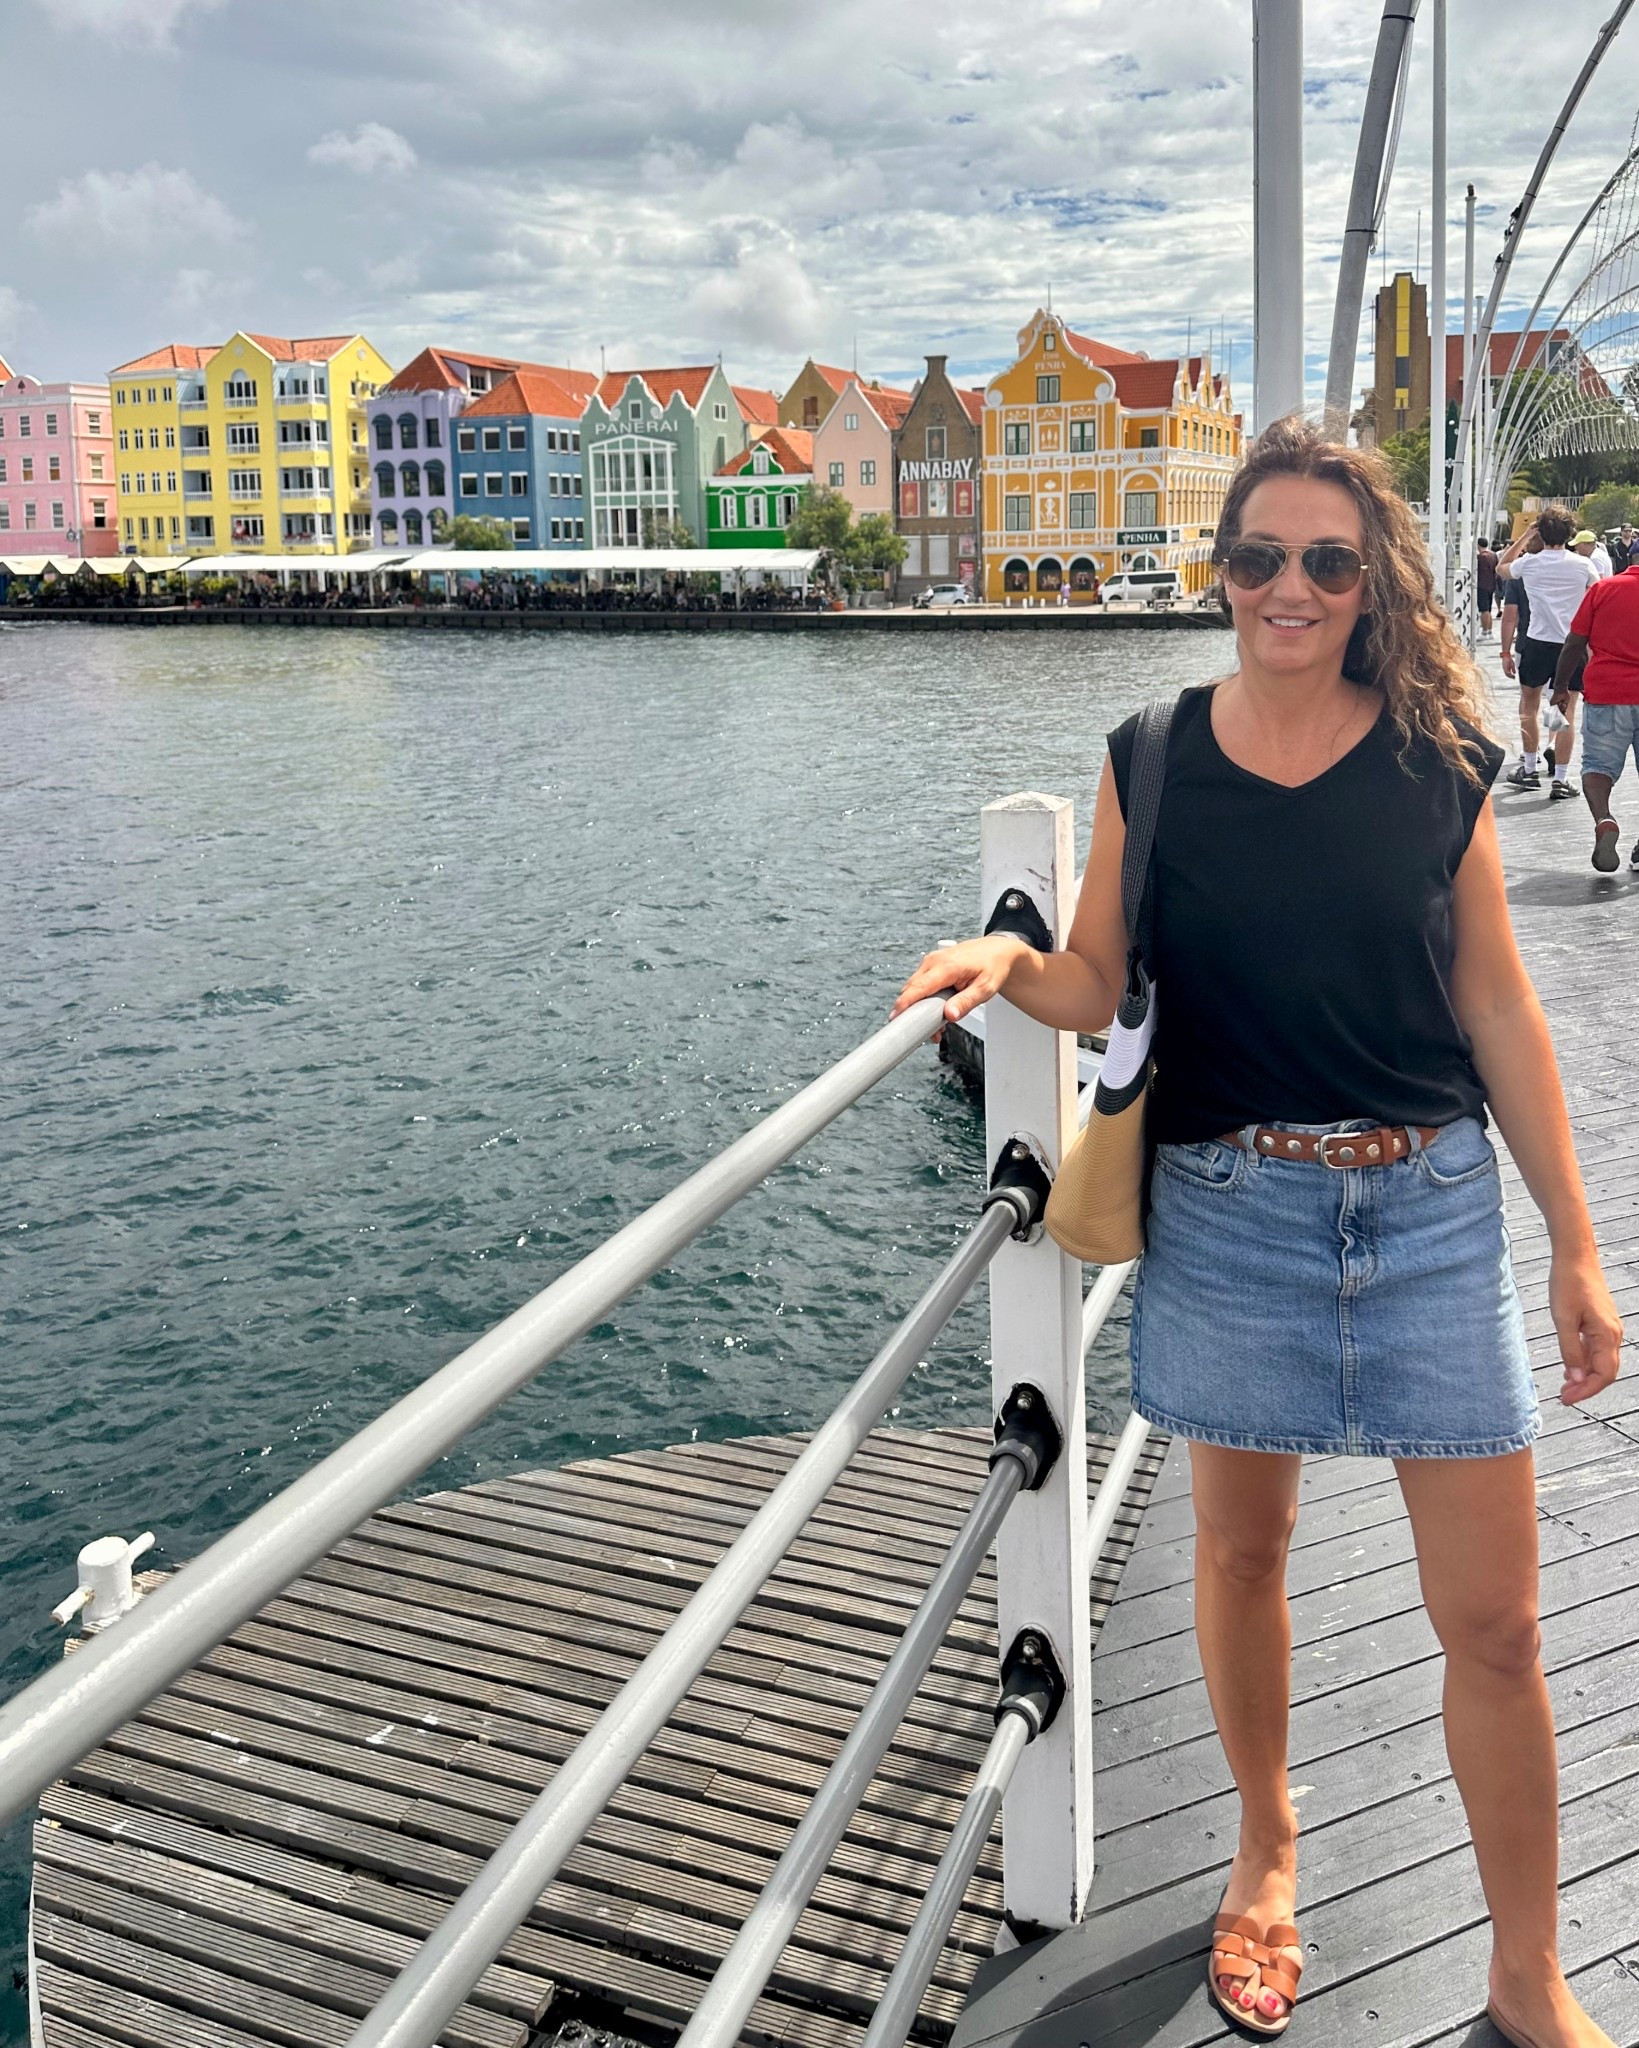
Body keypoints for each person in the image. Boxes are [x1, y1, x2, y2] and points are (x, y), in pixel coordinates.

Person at [893, 417, 1622, 2047]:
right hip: (1226, 1213)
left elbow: (1496, 1005)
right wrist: (1000, 965)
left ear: (1367, 583)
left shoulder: (1432, 759)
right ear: (1214, 571)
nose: (1285, 586)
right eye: (1254, 556)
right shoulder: (1148, 752)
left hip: (1428, 1209)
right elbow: (1091, 978)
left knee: (1496, 1623)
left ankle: (1522, 1970)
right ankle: (1265, 1843)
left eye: (1323, 560)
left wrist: (1572, 1239)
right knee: (1238, 1552)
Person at [1497, 510, 1597, 794]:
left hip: (1538, 642)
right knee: (1564, 708)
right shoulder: (1583, 566)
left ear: (1542, 532)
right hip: (1572, 645)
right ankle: (1561, 778)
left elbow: (1502, 567)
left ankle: (1529, 768)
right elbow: (1595, 600)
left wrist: (1526, 536)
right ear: (1570, 535)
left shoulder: (1529, 563)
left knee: (1529, 705)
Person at [1553, 546, 1639, 871]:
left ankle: (1604, 820)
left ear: (1630, 560)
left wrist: (1561, 687)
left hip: (1607, 693)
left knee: (1597, 767)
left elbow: (1574, 642)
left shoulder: (1604, 589)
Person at [1476, 538, 1499, 636]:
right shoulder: (1493, 555)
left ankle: (1485, 631)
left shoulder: (1481, 557)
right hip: (1491, 584)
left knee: (1484, 610)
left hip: (1482, 585)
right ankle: (1489, 630)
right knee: (1488, 609)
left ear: (1478, 545)